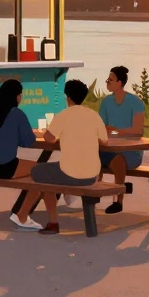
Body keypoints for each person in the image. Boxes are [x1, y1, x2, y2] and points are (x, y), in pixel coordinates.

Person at [13, 79, 107, 235]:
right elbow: (104, 140)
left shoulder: (64, 115)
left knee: (38, 173)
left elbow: (49, 138)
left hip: (71, 173)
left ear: (68, 97)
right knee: (48, 173)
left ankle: (46, 221)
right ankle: (23, 215)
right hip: (92, 175)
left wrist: (46, 133)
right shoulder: (94, 116)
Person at [97, 65, 145, 214]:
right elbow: (101, 127)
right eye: (107, 79)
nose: (107, 82)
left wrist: (117, 132)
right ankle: (93, 193)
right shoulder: (106, 102)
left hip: (131, 152)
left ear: (119, 83)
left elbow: (138, 131)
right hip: (109, 148)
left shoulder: (135, 102)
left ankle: (118, 200)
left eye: (110, 80)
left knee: (118, 160)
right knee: (93, 157)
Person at [0, 79, 37, 180]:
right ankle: (49, 195)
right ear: (17, 96)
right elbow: (28, 142)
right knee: (40, 170)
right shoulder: (17, 113)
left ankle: (33, 196)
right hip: (6, 167)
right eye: (20, 95)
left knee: (31, 178)